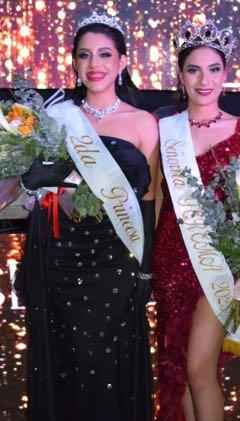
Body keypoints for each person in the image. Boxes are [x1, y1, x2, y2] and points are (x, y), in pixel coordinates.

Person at [17, 11, 158, 421]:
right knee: (66, 359)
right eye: (84, 55)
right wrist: (33, 180)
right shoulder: (57, 120)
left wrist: (145, 271)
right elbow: (35, 188)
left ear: (122, 61)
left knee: (105, 363)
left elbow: (149, 201)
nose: (94, 64)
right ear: (75, 63)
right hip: (60, 258)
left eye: (105, 54)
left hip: (117, 260)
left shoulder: (144, 123)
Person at [152, 20, 240, 420]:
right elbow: (159, 198)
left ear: (225, 74)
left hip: (218, 262)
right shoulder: (164, 130)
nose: (205, 81)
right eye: (194, 70)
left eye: (213, 69)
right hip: (171, 258)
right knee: (178, 369)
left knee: (199, 368)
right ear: (180, 75)